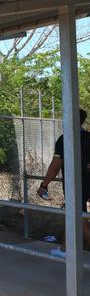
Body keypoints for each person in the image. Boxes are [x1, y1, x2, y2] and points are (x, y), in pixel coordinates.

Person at [37, 109, 90, 258]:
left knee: (78, 220)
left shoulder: (65, 139)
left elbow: (55, 165)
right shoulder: (89, 137)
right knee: (73, 216)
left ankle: (67, 250)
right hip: (86, 184)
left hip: (76, 186)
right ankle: (65, 249)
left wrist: (44, 185)